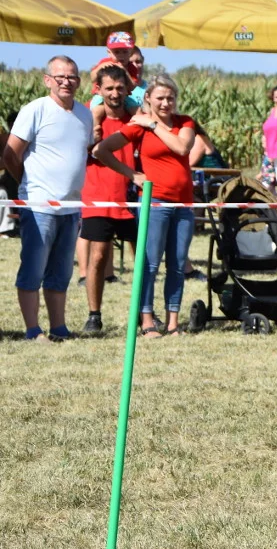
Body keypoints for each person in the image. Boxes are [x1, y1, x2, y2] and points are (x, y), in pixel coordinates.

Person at [94, 74, 196, 338]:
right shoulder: (138, 128)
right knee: (149, 264)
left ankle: (173, 322)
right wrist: (131, 174)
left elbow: (182, 148)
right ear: (147, 98)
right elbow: (101, 150)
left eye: (170, 98)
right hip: (156, 202)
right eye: (159, 98)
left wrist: (152, 123)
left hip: (184, 205)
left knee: (177, 263)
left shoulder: (184, 123)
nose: (165, 103)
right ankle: (147, 320)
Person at [4, 55, 92, 342]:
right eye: (60, 77)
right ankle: (32, 329)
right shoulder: (35, 110)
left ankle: (59, 327)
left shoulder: (84, 114)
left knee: (61, 271)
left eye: (72, 77)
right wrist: (27, 186)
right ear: (48, 80)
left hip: (71, 207)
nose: (67, 82)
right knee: (33, 268)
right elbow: (10, 154)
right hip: (38, 206)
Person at [80, 64, 139, 334]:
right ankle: (94, 315)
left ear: (128, 89)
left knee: (142, 258)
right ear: (99, 90)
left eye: (120, 88)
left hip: (133, 197)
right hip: (98, 196)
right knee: (99, 257)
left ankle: (144, 313)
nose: (115, 93)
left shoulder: (136, 117)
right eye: (109, 88)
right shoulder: (89, 117)